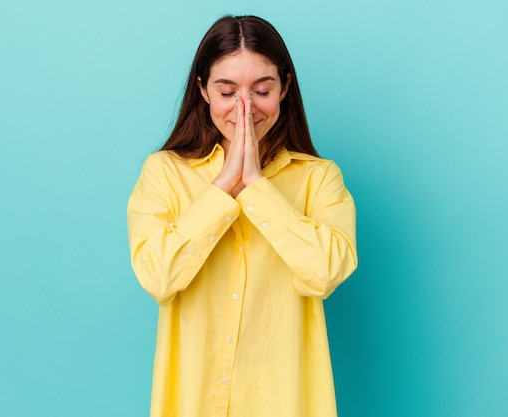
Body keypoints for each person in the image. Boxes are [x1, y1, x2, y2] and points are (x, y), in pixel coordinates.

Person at [127, 15, 358, 417]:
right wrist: (221, 188)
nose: (245, 108)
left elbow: (325, 273)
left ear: (284, 87)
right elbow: (156, 276)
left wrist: (256, 186)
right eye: (227, 91)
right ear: (203, 90)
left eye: (262, 90)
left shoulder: (320, 179)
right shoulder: (163, 172)